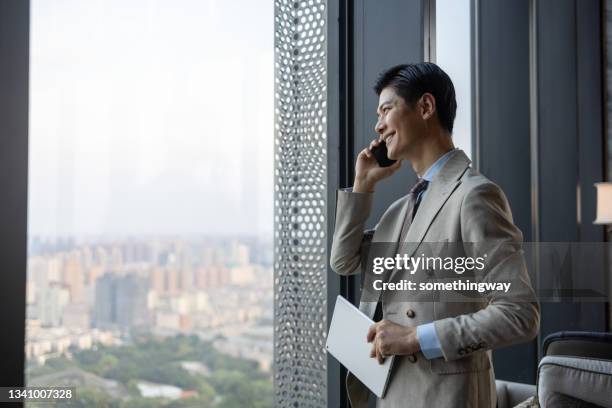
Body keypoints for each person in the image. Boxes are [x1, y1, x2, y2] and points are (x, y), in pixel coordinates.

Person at [329, 63, 540, 408]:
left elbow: (519, 313)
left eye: (386, 109)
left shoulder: (474, 196)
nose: (377, 125)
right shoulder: (399, 210)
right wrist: (362, 186)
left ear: (425, 107)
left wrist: (416, 338)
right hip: (391, 395)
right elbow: (344, 260)